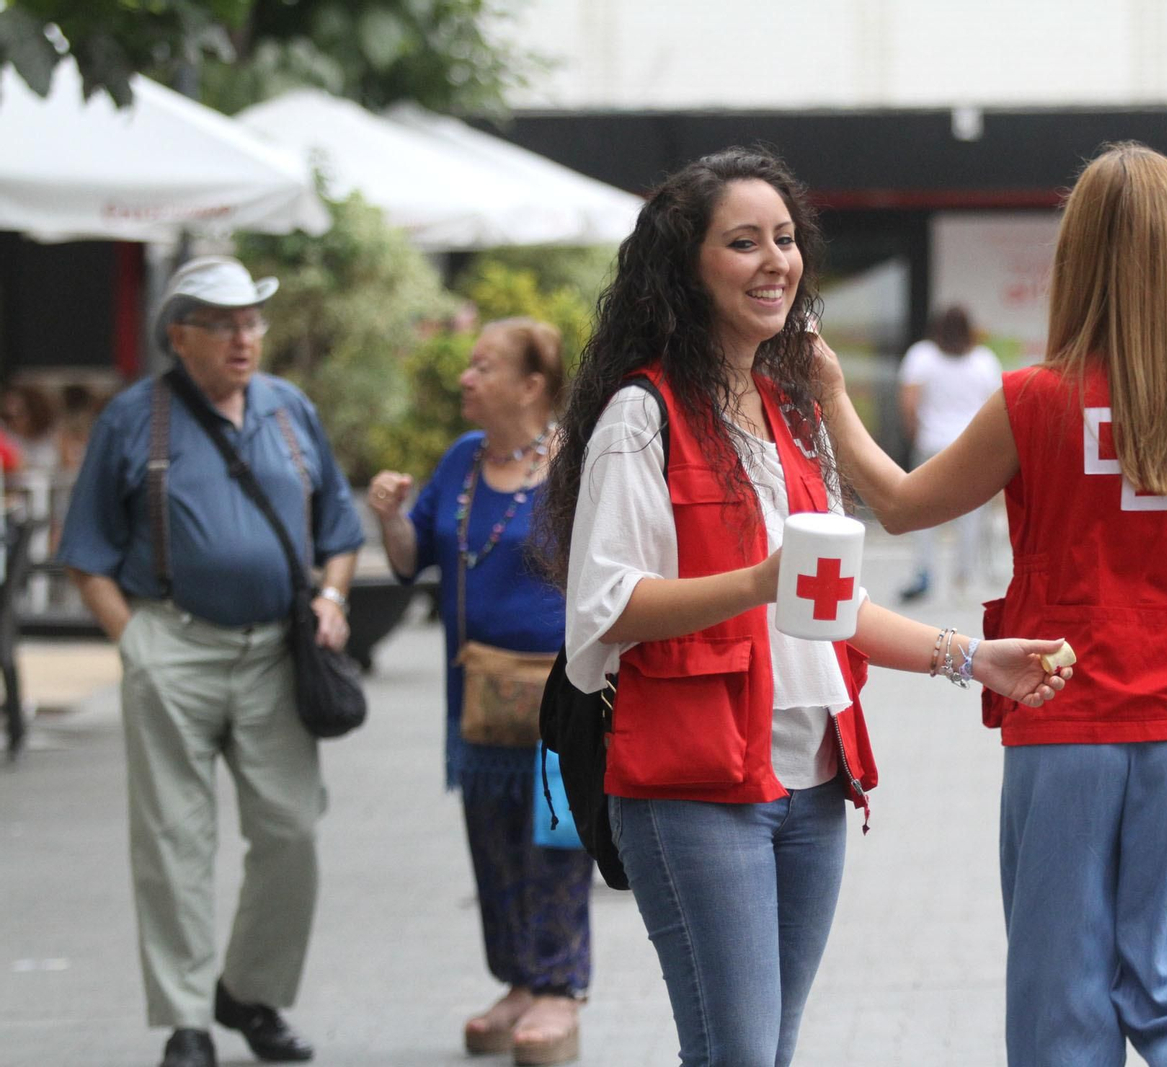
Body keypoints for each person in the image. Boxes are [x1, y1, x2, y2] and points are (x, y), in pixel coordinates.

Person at [537, 146, 1071, 1067]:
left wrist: (972, 655)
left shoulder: (790, 414)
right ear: (686, 266)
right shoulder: (642, 415)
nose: (775, 261)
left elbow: (830, 604)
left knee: (765, 1052)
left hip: (814, 783)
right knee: (739, 1053)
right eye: (743, 243)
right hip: (695, 784)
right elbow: (606, 604)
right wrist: (755, 579)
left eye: (784, 239)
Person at [813, 142, 1167, 1065]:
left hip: (1063, 724)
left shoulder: (1033, 401)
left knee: (1060, 997)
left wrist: (833, 394)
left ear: (1076, 260)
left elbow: (901, 504)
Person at [57, 256, 364, 1067]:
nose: (243, 336)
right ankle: (187, 1018)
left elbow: (339, 532)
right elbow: (85, 557)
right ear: (178, 334)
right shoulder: (134, 418)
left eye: (252, 320)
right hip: (173, 645)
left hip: (275, 652)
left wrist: (332, 600)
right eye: (223, 322)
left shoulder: (290, 409)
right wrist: (136, 644)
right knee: (172, 838)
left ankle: (248, 991)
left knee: (291, 830)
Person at [368, 318, 592, 1065]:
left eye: (484, 366)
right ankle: (519, 980)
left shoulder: (573, 462)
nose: (466, 377)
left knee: (556, 843)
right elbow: (411, 560)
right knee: (492, 846)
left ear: (531, 385)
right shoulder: (464, 461)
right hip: (479, 698)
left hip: (561, 697)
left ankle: (560, 987)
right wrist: (390, 517)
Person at [895, 306, 1003, 602]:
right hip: (970, 446)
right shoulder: (984, 360)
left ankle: (924, 572)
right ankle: (963, 577)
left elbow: (909, 402)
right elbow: (994, 406)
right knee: (971, 515)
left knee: (922, 511)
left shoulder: (922, 355)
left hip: (931, 443)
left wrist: (916, 434)